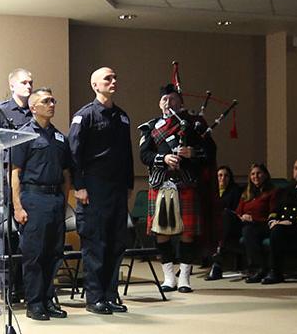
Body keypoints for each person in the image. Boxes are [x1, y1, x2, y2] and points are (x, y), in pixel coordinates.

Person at [139, 84, 216, 293]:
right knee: (160, 232)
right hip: (160, 182)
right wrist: (163, 158)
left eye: (172, 99)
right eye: (164, 100)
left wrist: (194, 153)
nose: (168, 103)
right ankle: (169, 277)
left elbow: (210, 151)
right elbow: (144, 155)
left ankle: (185, 277)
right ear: (159, 102)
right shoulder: (150, 126)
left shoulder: (194, 125)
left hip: (186, 182)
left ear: (180, 102)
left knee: (187, 232)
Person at [69, 67, 134, 315]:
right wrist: (79, 186)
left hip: (117, 188)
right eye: (108, 78)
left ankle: (111, 294)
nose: (113, 81)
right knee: (96, 243)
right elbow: (74, 153)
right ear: (95, 85)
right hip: (93, 188)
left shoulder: (122, 117)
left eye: (115, 77)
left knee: (116, 243)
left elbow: (127, 154)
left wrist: (129, 184)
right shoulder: (84, 116)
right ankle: (95, 297)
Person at [11, 88, 73, 320]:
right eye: (46, 101)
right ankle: (34, 303)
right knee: (34, 254)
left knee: (54, 253)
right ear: (33, 107)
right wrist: (17, 206)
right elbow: (15, 173)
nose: (52, 104)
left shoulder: (59, 137)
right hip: (33, 198)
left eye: (53, 100)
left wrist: (64, 201)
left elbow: (67, 174)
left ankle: (48, 300)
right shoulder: (24, 135)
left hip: (55, 199)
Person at [0, 68, 34, 300]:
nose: (29, 86)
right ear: (12, 85)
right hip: (1, 181)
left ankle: (23, 286)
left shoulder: (33, 112)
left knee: (25, 236)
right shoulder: (1, 111)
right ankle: (6, 287)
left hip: (25, 183)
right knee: (3, 237)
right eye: (23, 82)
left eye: (31, 82)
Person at [235, 164, 279, 283]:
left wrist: (253, 219)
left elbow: (273, 213)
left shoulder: (272, 192)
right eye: (253, 174)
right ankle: (218, 257)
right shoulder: (246, 193)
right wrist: (242, 216)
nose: (256, 176)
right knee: (226, 217)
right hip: (245, 223)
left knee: (248, 231)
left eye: (259, 173)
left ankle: (259, 268)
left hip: (263, 224)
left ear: (265, 175)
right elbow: (238, 211)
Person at [206, 165, 242, 281]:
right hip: (215, 223)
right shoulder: (211, 191)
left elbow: (236, 209)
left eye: (226, 176)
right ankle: (186, 263)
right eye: (220, 175)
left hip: (232, 222)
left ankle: (218, 254)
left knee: (225, 214)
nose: (223, 178)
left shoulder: (235, 190)